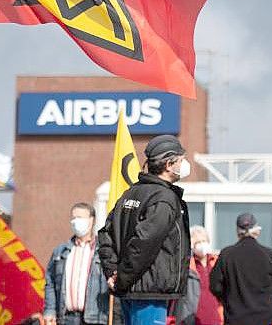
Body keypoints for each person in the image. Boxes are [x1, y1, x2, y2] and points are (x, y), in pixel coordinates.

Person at [98, 134, 191, 325]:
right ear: (169, 164)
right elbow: (143, 243)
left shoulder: (130, 193)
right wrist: (120, 277)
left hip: (130, 288)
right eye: (182, 160)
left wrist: (112, 272)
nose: (185, 164)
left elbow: (105, 235)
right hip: (149, 291)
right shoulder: (164, 198)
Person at [209, 213, 272, 325]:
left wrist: (229, 297)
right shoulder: (268, 254)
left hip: (235, 317)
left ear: (237, 231)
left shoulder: (226, 255)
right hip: (266, 317)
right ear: (256, 231)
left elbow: (215, 286)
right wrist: (266, 295)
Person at [44, 202, 109, 325]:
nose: (75, 221)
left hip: (95, 318)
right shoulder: (61, 252)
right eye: (73, 218)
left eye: (80, 217)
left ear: (91, 220)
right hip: (66, 318)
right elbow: (50, 283)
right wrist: (49, 311)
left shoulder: (103, 251)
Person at [188, 226, 221, 325]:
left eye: (203, 240)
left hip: (216, 317)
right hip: (195, 318)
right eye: (197, 242)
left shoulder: (216, 262)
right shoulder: (188, 265)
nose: (201, 244)